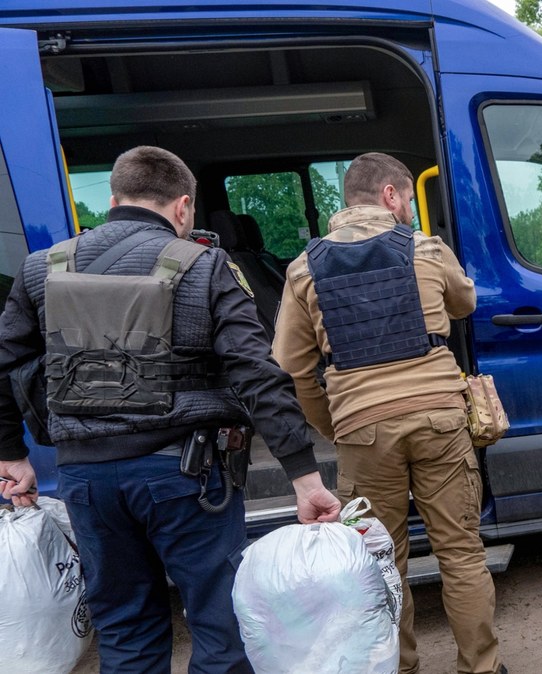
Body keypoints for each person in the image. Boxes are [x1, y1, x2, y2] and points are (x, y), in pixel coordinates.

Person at [0, 145, 341, 672]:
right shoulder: (205, 266)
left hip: (86, 479)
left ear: (113, 199)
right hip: (185, 477)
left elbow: (5, 363)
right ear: (183, 207)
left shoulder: (41, 269)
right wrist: (302, 473)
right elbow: (256, 372)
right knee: (220, 626)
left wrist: (12, 454)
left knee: (126, 631)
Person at [272, 153, 503, 673]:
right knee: (461, 553)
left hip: (361, 427)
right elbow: (464, 303)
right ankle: (482, 668)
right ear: (393, 196)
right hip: (441, 419)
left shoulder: (304, 267)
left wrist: (337, 425)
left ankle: (398, 666)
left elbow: (292, 365)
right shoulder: (425, 248)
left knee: (379, 561)